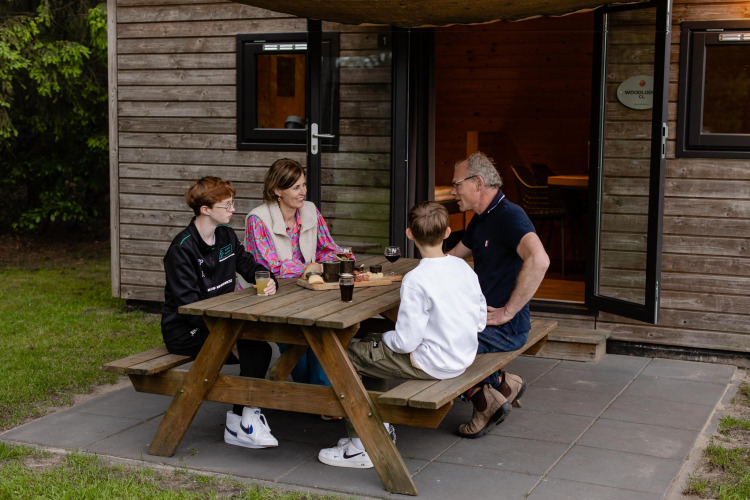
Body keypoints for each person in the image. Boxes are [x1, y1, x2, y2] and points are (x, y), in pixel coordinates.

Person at [318, 201, 487, 468]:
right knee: (368, 345)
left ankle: (362, 445)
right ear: (447, 233)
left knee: (346, 357)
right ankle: (377, 426)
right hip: (463, 354)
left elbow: (406, 341)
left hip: (435, 363)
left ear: (409, 234)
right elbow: (480, 320)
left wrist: (385, 339)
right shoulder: (463, 267)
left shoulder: (416, 279)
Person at [161, 176, 279, 450]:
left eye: (232, 204)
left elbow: (249, 264)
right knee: (254, 350)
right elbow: (188, 307)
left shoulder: (225, 235)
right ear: (205, 209)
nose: (232, 209)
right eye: (226, 205)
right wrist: (230, 331)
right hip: (186, 330)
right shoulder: (182, 250)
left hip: (223, 323)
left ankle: (242, 420)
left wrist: (268, 278)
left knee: (259, 350)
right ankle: (244, 421)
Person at [448, 151, 550, 438]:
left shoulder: (509, 216)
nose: (453, 191)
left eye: (457, 184)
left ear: (478, 183)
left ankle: (485, 401)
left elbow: (540, 260)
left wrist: (508, 311)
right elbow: (454, 257)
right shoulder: (481, 218)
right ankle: (504, 384)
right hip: (483, 320)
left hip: (506, 328)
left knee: (440, 342)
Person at [245, 158, 346, 392]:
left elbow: (328, 248)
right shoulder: (258, 219)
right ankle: (318, 394)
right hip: (268, 295)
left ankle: (320, 394)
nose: (303, 192)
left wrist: (345, 260)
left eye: (304, 185)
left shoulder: (310, 210)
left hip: (305, 291)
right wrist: (312, 266)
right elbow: (270, 267)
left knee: (325, 331)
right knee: (296, 343)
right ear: (276, 190)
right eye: (296, 187)